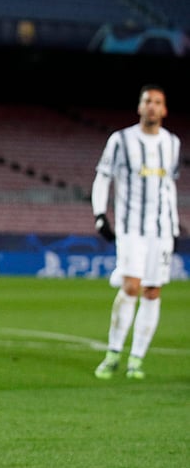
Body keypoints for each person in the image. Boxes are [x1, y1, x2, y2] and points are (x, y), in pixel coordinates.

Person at [91, 84, 180, 380]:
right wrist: (100, 214)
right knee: (131, 286)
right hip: (131, 228)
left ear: (164, 110)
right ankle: (113, 352)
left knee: (152, 291)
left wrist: (175, 225)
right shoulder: (121, 140)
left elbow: (169, 187)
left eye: (158, 102)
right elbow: (103, 177)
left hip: (162, 229)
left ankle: (136, 359)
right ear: (139, 107)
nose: (152, 106)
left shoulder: (172, 143)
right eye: (147, 101)